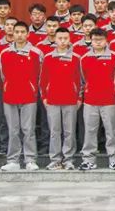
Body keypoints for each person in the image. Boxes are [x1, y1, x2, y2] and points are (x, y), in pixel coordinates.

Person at [0, 21, 42, 171]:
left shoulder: (36, 53)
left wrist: (32, 87)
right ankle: (13, 160)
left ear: (28, 34)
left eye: (23, 32)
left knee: (28, 129)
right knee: (13, 130)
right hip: (10, 96)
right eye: (17, 32)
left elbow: (40, 75)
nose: (19, 35)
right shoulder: (4, 53)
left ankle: (30, 159)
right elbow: (3, 75)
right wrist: (8, 85)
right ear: (12, 33)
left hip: (29, 96)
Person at [80, 28, 115, 170]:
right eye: (95, 40)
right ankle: (88, 159)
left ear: (106, 41)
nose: (98, 42)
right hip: (90, 101)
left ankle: (114, 159)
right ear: (90, 41)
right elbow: (83, 79)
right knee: (89, 131)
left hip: (110, 101)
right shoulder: (84, 58)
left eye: (101, 39)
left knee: (112, 131)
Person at [40, 27, 81, 170]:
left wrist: (79, 97)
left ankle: (68, 159)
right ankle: (55, 159)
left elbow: (80, 80)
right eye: (60, 38)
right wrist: (44, 97)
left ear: (69, 40)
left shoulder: (76, 58)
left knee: (69, 131)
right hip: (52, 100)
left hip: (71, 100)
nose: (63, 41)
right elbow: (43, 80)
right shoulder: (48, 57)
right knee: (54, 131)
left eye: (65, 38)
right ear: (55, 40)